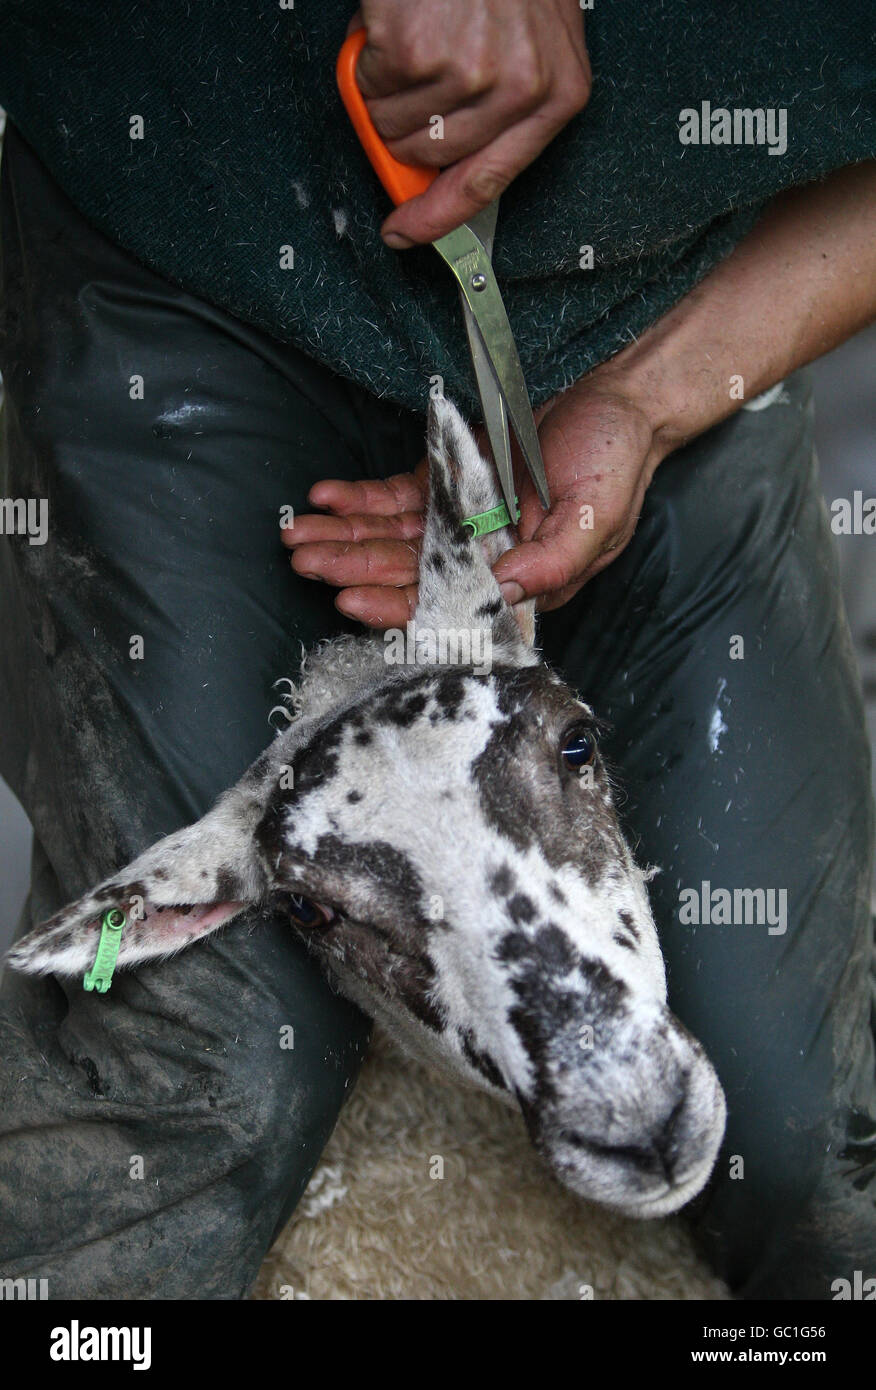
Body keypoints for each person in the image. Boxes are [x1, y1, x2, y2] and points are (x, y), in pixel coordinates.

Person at [0, 1, 874, 1300]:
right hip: (188, 278)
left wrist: (649, 396)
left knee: (811, 1147)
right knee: (201, 1095)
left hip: (669, 310)